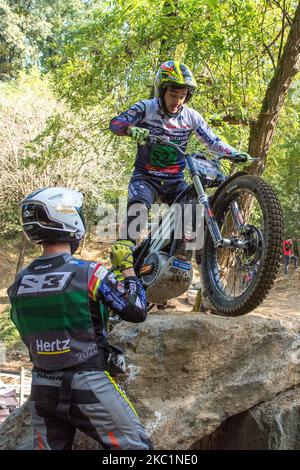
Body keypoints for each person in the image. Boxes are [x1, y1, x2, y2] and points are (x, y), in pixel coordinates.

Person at [7, 187, 152, 450]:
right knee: (136, 448)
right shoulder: (90, 273)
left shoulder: (19, 282)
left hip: (41, 386)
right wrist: (128, 269)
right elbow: (136, 310)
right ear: (69, 218)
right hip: (88, 382)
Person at [110, 60, 251, 243]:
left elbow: (212, 141)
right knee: (138, 209)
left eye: (182, 96)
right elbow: (115, 123)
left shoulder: (191, 116)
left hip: (174, 181)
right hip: (145, 177)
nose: (177, 101)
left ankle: (182, 257)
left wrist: (234, 153)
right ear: (162, 91)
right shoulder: (146, 108)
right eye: (173, 94)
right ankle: (124, 260)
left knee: (194, 212)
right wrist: (130, 129)